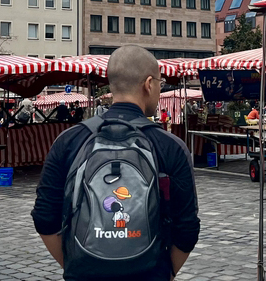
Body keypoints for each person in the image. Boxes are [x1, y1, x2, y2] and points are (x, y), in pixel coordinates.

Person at [32, 45, 200, 280]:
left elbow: (44, 218)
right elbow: (187, 229)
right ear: (149, 84)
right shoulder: (171, 147)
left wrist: (75, 266)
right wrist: (165, 273)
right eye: (160, 83)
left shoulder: (69, 141)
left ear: (111, 84)